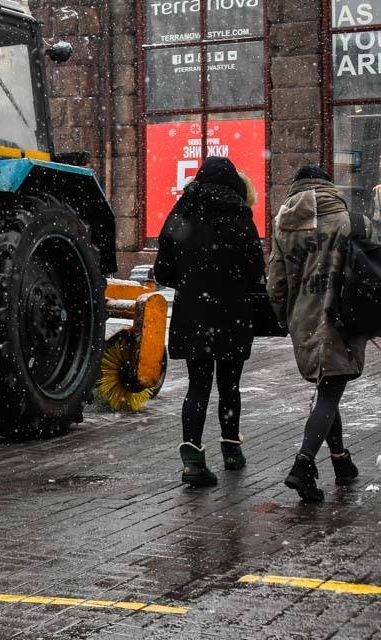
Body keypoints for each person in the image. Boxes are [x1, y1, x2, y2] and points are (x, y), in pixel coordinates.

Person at [153, 156, 264, 488]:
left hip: (193, 313)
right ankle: (231, 450)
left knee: (197, 388)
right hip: (232, 313)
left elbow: (162, 271)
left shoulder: (181, 214)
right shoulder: (242, 217)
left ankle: (192, 461)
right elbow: (256, 271)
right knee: (230, 385)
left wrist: (191, 281)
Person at [267, 164, 367, 502]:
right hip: (344, 318)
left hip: (304, 319)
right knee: (329, 392)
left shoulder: (284, 226)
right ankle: (303, 466)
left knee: (328, 388)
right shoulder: (353, 222)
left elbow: (276, 282)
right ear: (328, 186)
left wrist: (284, 319)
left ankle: (341, 461)